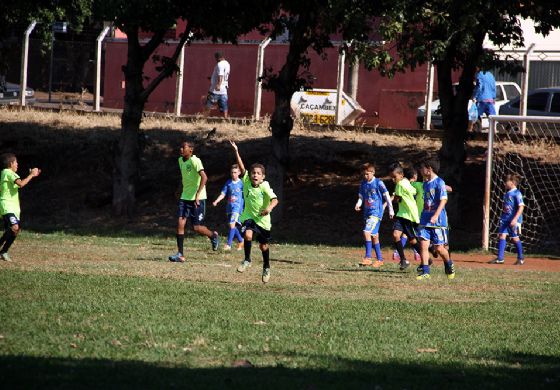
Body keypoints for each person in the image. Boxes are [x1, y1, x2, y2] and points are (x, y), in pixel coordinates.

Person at [230, 141, 278, 283]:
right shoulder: (245, 181)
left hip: (263, 220)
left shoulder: (265, 186)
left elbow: (275, 200)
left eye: (258, 174)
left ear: (263, 177)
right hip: (249, 216)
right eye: (253, 173)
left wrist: (268, 208)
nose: (255, 175)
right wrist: (236, 151)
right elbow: (241, 166)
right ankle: (247, 260)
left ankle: (266, 267)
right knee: (248, 235)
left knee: (263, 246)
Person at [169, 140, 219, 263]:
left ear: (190, 150)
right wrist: (179, 190)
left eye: (183, 147)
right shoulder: (180, 161)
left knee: (197, 227)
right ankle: (180, 254)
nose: (180, 149)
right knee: (180, 224)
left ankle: (213, 236)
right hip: (185, 197)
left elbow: (204, 177)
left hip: (198, 198)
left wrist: (197, 195)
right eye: (180, 147)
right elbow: (184, 178)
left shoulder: (195, 161)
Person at [416, 159, 455, 280]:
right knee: (423, 244)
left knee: (439, 248)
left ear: (429, 169)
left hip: (438, 221)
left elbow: (443, 200)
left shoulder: (439, 182)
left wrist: (436, 215)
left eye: (422, 168)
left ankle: (449, 264)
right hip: (425, 219)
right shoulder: (426, 183)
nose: (421, 171)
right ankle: (425, 272)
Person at [0, 153, 41, 261]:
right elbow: (21, 184)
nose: (17, 164)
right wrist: (32, 174)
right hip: (7, 206)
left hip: (13, 207)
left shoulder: (7, 174)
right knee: (14, 227)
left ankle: (3, 252)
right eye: (16, 162)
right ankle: (3, 251)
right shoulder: (8, 172)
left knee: (15, 230)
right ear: (11, 163)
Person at [355, 163, 394, 268]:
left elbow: (386, 196)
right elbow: (361, 197)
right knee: (374, 236)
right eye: (364, 174)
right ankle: (380, 259)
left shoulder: (378, 183)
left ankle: (368, 257)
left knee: (366, 232)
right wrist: (358, 204)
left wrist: (391, 209)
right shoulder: (363, 183)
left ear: (373, 172)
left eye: (367, 174)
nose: (365, 176)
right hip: (367, 213)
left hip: (376, 213)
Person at [390, 165, 423, 271]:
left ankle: (426, 258)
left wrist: (394, 197)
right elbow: (414, 192)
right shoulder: (406, 183)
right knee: (396, 235)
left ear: (401, 175)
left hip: (408, 216)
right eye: (392, 177)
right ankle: (403, 260)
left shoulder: (400, 184)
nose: (393, 179)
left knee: (413, 241)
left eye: (394, 177)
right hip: (402, 215)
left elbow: (397, 199)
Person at [489, 174, 525, 265]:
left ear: (512, 182)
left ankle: (520, 258)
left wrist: (515, 219)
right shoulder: (507, 193)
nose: (505, 183)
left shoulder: (517, 193)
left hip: (513, 220)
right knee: (502, 235)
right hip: (505, 219)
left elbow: (521, 207)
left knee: (515, 238)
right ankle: (500, 258)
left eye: (506, 181)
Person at [212, 164, 244, 251]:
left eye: (235, 172)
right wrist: (216, 201)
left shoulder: (242, 183)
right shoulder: (228, 182)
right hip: (229, 207)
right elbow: (223, 194)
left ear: (239, 173)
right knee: (232, 226)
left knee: (232, 224)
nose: (233, 174)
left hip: (237, 207)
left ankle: (228, 245)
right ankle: (241, 241)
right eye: (232, 172)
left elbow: (246, 196)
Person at [204, 52, 230, 118]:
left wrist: (218, 84)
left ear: (217, 57)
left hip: (215, 89)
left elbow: (220, 75)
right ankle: (225, 118)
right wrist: (212, 78)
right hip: (224, 88)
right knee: (224, 104)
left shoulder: (219, 64)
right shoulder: (227, 63)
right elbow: (223, 75)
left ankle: (205, 118)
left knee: (209, 103)